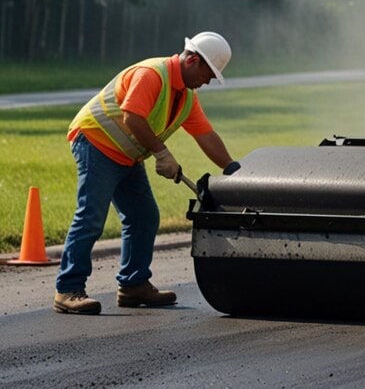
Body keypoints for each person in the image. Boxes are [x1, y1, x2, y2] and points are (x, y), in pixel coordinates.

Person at [54, 32, 241, 315]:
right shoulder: (152, 74)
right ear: (192, 60)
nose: (209, 81)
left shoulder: (186, 98)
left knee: (144, 217)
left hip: (126, 155)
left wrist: (233, 169)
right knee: (91, 217)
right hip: (96, 143)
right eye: (209, 73)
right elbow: (132, 116)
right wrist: (162, 153)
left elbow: (205, 135)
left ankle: (133, 285)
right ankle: (68, 289)